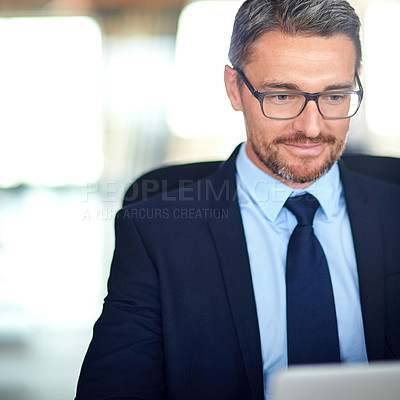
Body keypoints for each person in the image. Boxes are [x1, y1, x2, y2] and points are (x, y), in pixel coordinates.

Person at [75, 0, 400, 399]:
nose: (311, 128)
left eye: (335, 95)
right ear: (234, 88)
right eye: (282, 96)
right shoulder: (156, 235)